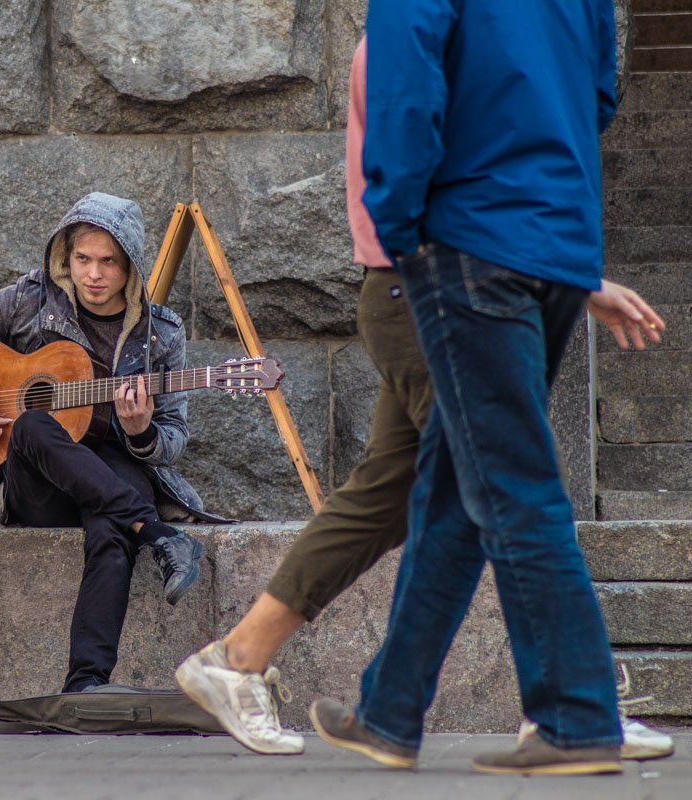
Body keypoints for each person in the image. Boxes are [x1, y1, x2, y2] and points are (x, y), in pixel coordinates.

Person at [176, 30, 672, 766]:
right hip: (428, 286)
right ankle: (576, 702)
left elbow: (571, 114)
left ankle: (263, 667)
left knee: (404, 490)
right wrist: (424, 254)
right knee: (506, 478)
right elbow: (436, 144)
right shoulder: (419, 37)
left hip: (469, 276)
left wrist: (568, 270)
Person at [302, 0, 652, 775]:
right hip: (556, 241)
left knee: (513, 483)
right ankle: (390, 711)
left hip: (466, 242)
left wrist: (398, 228)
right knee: (458, 485)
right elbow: (600, 92)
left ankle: (576, 717)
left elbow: (405, 95)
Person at [0, 192, 221, 693]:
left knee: (112, 530)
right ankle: (158, 534)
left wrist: (141, 433)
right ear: (66, 257)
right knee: (31, 425)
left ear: (130, 267)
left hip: (113, 465)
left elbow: (175, 438)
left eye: (108, 262)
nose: (93, 274)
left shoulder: (161, 334)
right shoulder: (29, 300)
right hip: (42, 485)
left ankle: (85, 684)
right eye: (82, 260)